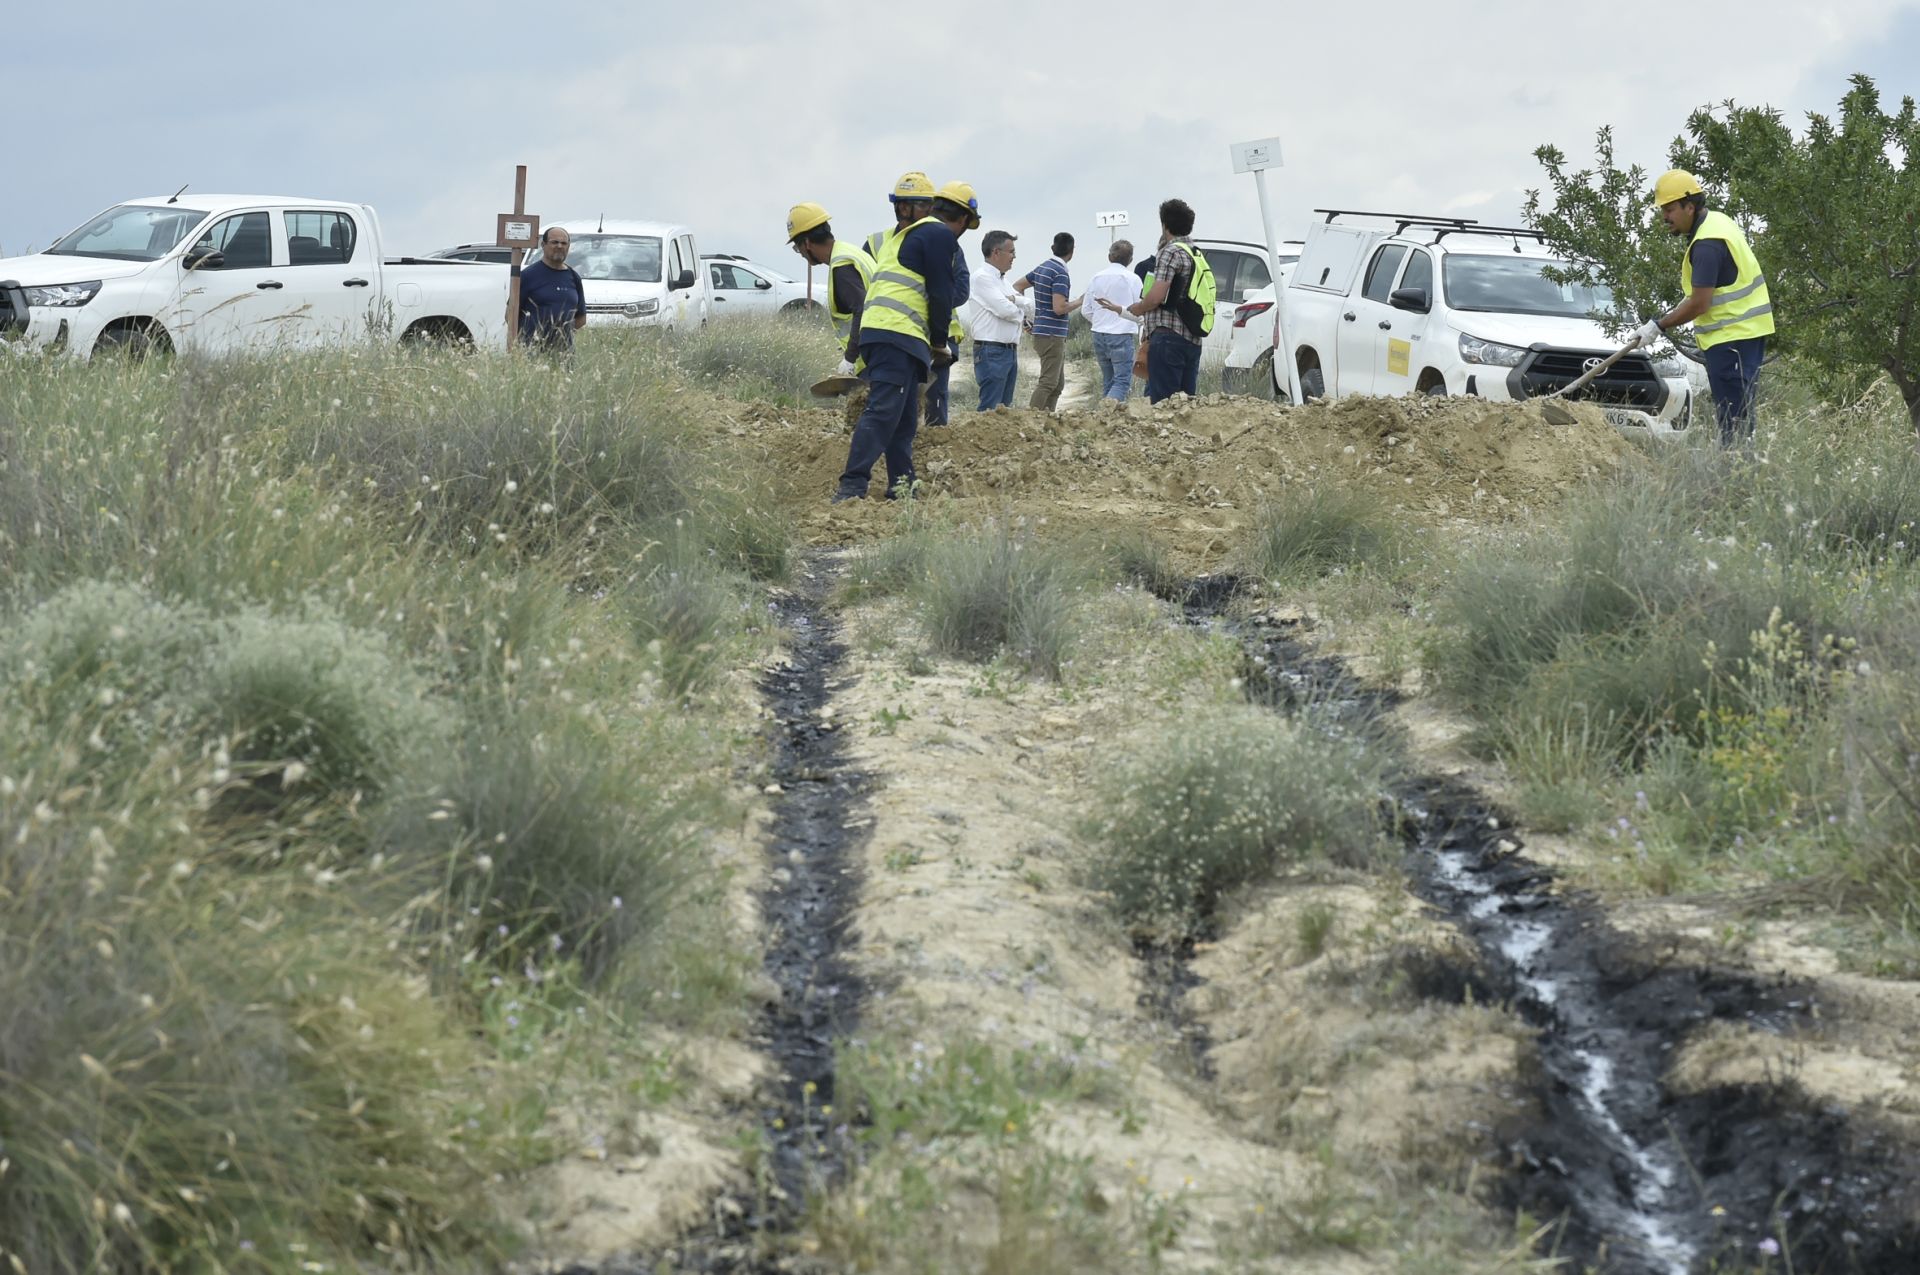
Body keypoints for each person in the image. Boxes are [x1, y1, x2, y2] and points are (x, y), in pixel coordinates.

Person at [836, 181, 980, 502]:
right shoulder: (939, 235)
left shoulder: (902, 237)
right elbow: (943, 293)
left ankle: (903, 487)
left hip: (884, 334)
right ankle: (852, 487)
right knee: (882, 412)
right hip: (896, 334)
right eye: (965, 226)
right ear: (955, 219)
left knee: (902, 422)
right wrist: (940, 342)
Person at [1632, 170, 1775, 445]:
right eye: (1663, 209)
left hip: (1731, 338)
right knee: (1739, 417)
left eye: (1670, 209)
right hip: (1746, 335)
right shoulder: (1718, 221)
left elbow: (1700, 303)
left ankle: (1737, 478)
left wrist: (1658, 326)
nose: (1665, 217)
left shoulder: (1707, 244)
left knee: (1734, 420)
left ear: (1690, 206)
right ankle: (1740, 473)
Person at [1127, 201, 1204, 403]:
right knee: (1186, 406)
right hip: (1192, 338)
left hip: (1168, 337)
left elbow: (1156, 297)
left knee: (1163, 406)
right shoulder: (1196, 253)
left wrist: (1139, 308)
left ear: (1164, 225)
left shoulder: (1170, 252)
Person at [786, 201, 874, 373]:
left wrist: (850, 359)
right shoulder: (850, 252)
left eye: (798, 248)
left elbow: (862, 309)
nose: (801, 254)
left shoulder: (842, 266)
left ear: (807, 243)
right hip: (885, 352)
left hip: (876, 360)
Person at [964, 230, 1030, 410]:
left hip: (1007, 351)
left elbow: (1027, 304)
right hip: (992, 351)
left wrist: (1017, 302)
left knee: (1003, 410)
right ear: (996, 252)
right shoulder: (982, 278)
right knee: (990, 410)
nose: (1014, 256)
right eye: (1011, 251)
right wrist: (1020, 311)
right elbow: (1005, 310)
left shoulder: (1003, 281)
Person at [1015, 232, 1078, 411]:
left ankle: (1046, 420)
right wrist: (1079, 301)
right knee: (1049, 383)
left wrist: (1025, 316)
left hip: (1044, 332)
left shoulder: (1043, 268)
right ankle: (1033, 421)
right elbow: (1059, 308)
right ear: (1072, 251)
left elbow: (1018, 286)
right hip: (1052, 334)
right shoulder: (1060, 273)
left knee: (1057, 384)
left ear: (1052, 248)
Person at [1085, 239, 1144, 401]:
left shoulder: (1095, 278)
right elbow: (1141, 311)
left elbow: (1086, 311)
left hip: (1098, 333)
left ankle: (1104, 420)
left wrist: (1100, 322)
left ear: (1109, 257)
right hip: (1121, 334)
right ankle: (1107, 413)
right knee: (1122, 382)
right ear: (1130, 260)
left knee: (1108, 381)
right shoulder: (1133, 279)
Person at [517, 226, 587, 355]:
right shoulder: (528, 276)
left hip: (564, 355)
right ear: (543, 245)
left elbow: (581, 318)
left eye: (564, 243)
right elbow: (510, 314)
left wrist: (561, 335)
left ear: (568, 247)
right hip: (531, 353)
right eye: (554, 242)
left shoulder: (574, 277)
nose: (559, 246)